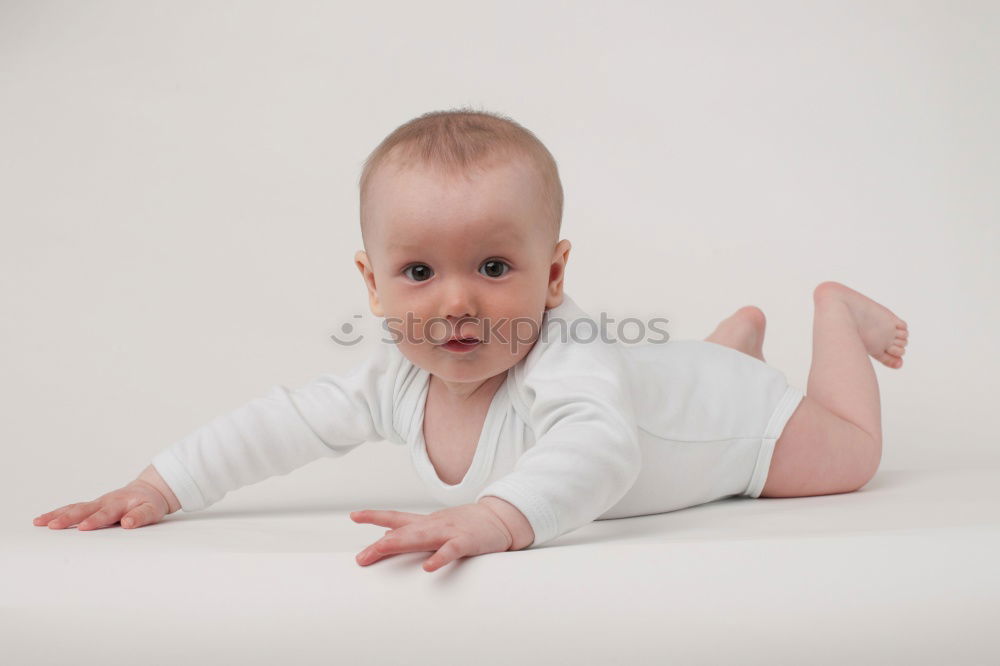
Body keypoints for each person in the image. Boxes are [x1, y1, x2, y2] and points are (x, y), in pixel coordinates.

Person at [33, 109, 909, 573]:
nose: (457, 303)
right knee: (682, 379)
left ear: (553, 275)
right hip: (678, 383)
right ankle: (730, 346)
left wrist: (499, 516)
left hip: (738, 425)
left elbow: (604, 451)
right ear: (371, 283)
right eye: (419, 273)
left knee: (850, 460)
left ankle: (833, 315)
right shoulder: (393, 378)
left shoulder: (570, 359)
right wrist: (160, 485)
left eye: (494, 267)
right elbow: (286, 421)